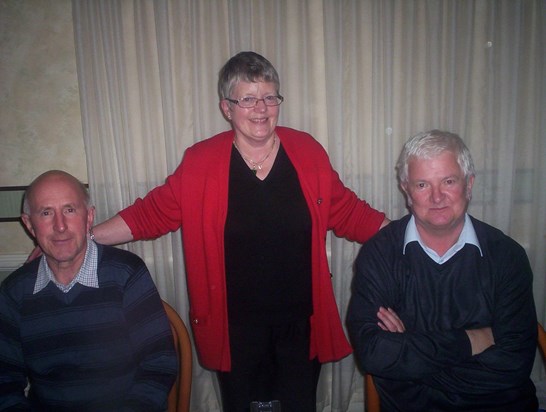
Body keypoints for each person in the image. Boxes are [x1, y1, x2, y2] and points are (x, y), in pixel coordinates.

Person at [86, 51, 389, 411]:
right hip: (234, 328)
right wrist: (82, 241)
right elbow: (150, 214)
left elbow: (350, 212)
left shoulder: (307, 153)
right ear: (226, 107)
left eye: (269, 97)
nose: (261, 108)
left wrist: (410, 235)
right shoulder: (201, 162)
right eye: (247, 98)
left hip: (299, 324)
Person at [347, 130, 538, 411]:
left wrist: (408, 354)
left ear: (469, 184)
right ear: (406, 190)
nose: (437, 197)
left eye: (449, 181)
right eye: (422, 184)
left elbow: (513, 364)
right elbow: (374, 354)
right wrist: (473, 340)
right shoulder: (379, 254)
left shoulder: (507, 256)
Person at [0, 170, 178, 411]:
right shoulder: (14, 291)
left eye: (70, 210)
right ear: (29, 224)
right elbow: (5, 379)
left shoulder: (126, 274)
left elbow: (159, 361)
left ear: (89, 217)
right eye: (46, 213)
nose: (60, 226)